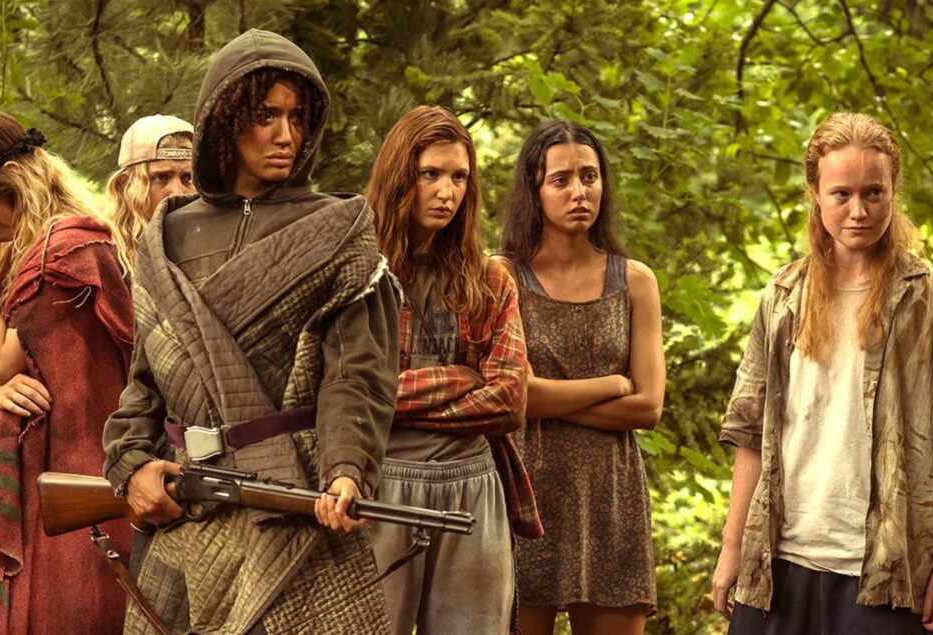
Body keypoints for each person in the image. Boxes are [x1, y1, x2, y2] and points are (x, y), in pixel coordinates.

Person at [101, 29, 401, 634]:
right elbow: (145, 382)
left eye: (297, 117)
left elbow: (356, 376)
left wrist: (347, 471)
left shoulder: (338, 229)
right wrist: (131, 465)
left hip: (298, 497)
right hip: (186, 508)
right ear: (225, 119)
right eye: (266, 116)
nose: (287, 135)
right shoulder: (166, 235)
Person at [712, 112, 933, 634]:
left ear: (893, 191)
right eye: (841, 194)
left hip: (888, 571)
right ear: (816, 194)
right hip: (778, 562)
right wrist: (732, 547)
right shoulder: (782, 296)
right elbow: (750, 432)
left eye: (874, 193)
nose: (859, 211)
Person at [0, 109, 133, 634]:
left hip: (84, 476)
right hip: (47, 482)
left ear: (14, 180)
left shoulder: (62, 250)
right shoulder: (25, 257)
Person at [365, 105, 540, 634]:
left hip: (471, 483)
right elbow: (344, 395)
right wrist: (461, 378)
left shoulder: (489, 279)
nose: (447, 191)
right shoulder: (360, 274)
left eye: (459, 177)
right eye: (431, 174)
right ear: (400, 177)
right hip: (380, 481)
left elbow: (508, 400)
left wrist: (388, 399)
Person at [499, 120, 665, 635]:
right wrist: (612, 385)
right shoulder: (502, 276)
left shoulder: (635, 280)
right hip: (525, 497)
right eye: (562, 180)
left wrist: (550, 398)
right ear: (534, 189)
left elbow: (649, 407)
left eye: (589, 177)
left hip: (610, 499)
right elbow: (515, 396)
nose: (579, 192)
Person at [104, 114, 196, 266]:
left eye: (188, 178)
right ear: (125, 185)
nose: (177, 193)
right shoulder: (104, 255)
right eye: (162, 177)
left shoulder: (216, 245)